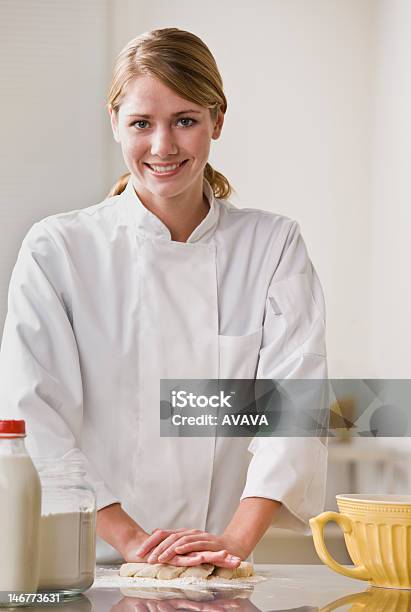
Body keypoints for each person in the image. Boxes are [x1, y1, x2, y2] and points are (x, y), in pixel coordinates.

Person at [0, 28, 328, 567]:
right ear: (115, 124)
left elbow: (292, 410)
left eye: (185, 120)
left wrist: (236, 541)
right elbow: (34, 414)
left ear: (217, 120)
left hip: (221, 565)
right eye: (141, 123)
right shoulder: (58, 249)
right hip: (87, 562)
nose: (163, 146)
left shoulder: (272, 246)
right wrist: (131, 541)